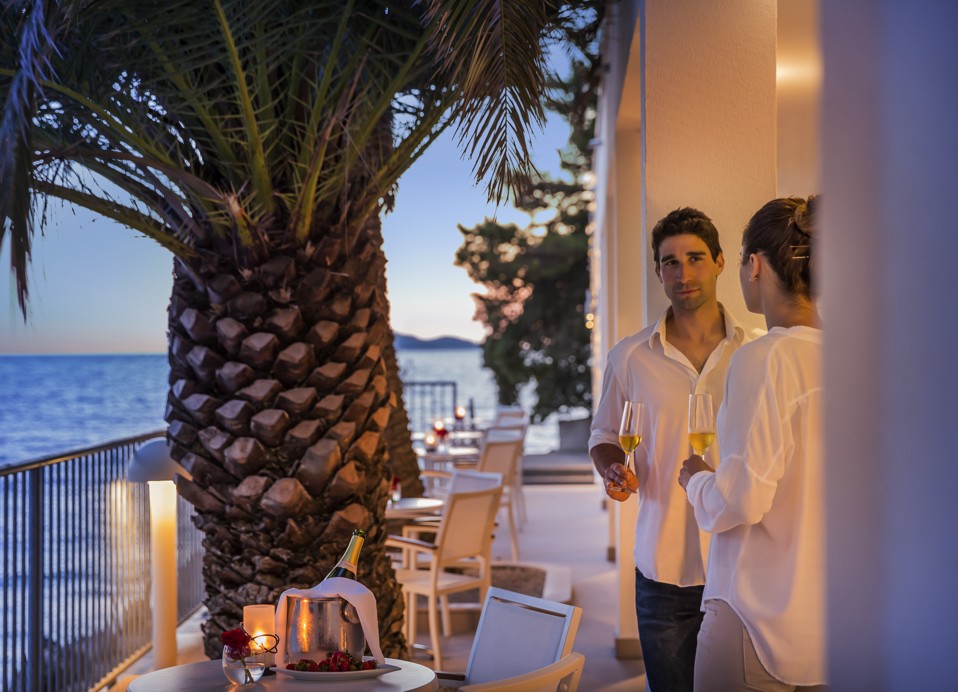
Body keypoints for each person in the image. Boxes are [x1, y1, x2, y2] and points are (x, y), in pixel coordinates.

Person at [590, 207, 748, 692]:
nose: (683, 273)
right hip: (663, 571)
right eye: (670, 262)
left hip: (742, 565)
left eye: (695, 258)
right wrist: (614, 470)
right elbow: (603, 439)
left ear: (721, 262)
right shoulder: (631, 356)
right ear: (658, 272)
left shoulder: (758, 353)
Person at [679, 196, 825, 691]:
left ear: (755, 264)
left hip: (756, 626)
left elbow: (740, 499)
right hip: (835, 629)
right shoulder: (862, 358)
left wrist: (696, 479)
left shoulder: (766, 358)